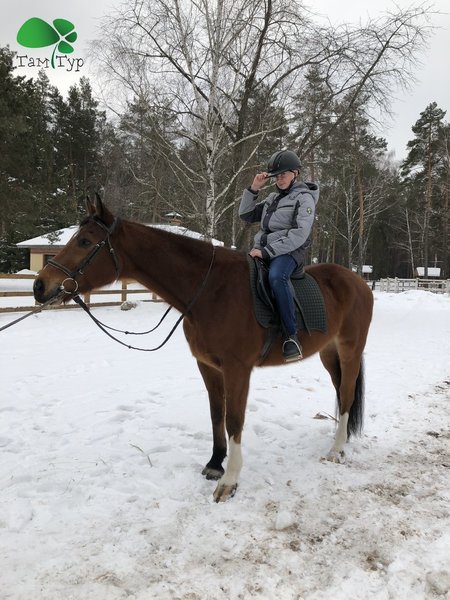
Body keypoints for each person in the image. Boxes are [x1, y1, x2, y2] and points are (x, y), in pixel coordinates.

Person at [239, 149, 319, 362]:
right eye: (277, 175)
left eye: (284, 173)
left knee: (276, 277)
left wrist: (266, 252)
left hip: (290, 251)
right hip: (261, 249)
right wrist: (254, 188)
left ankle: (291, 337)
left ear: (296, 173)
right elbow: (245, 215)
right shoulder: (272, 198)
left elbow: (300, 234)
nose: (280, 178)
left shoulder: (305, 199)